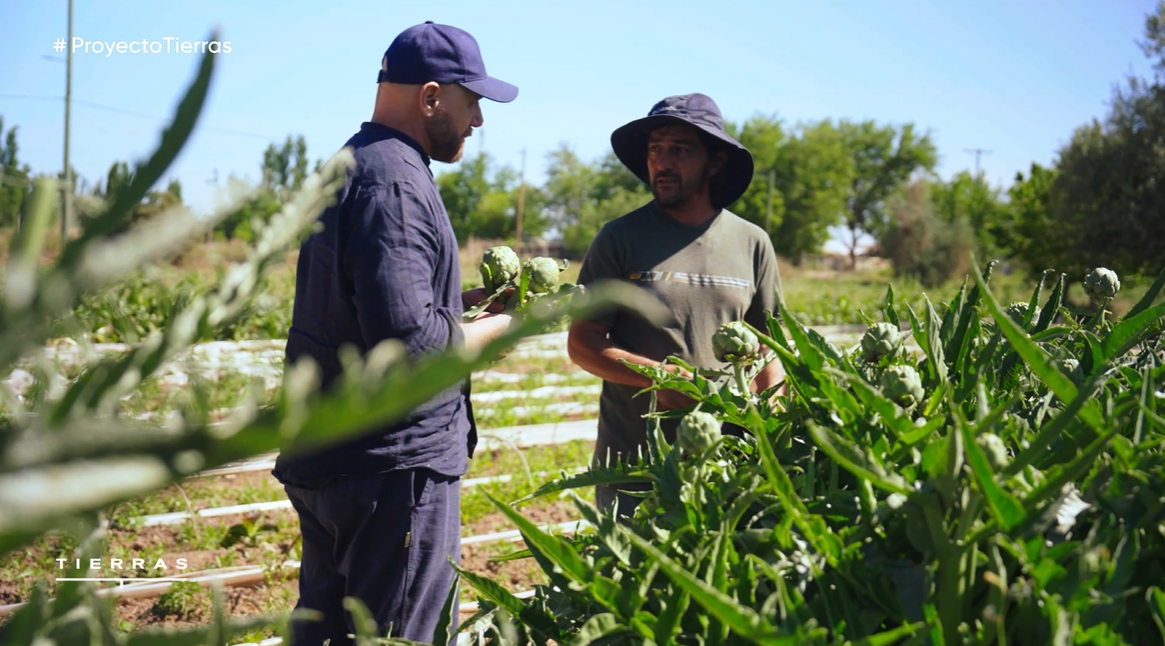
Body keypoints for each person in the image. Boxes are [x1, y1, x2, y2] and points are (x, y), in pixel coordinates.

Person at [270, 21, 518, 646]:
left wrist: (461, 306)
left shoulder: (353, 164)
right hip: (390, 473)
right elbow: (416, 348)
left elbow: (372, 310)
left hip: (333, 458)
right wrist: (508, 327)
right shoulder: (397, 184)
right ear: (431, 98)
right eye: (472, 102)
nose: (478, 121)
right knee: (400, 636)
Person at [567, 93, 785, 519]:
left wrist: (773, 420)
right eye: (655, 149)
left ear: (714, 163)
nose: (662, 162)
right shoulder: (620, 238)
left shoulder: (752, 243)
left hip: (729, 466)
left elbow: (769, 346)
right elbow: (582, 343)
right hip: (634, 467)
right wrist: (655, 377)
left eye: (680, 150)